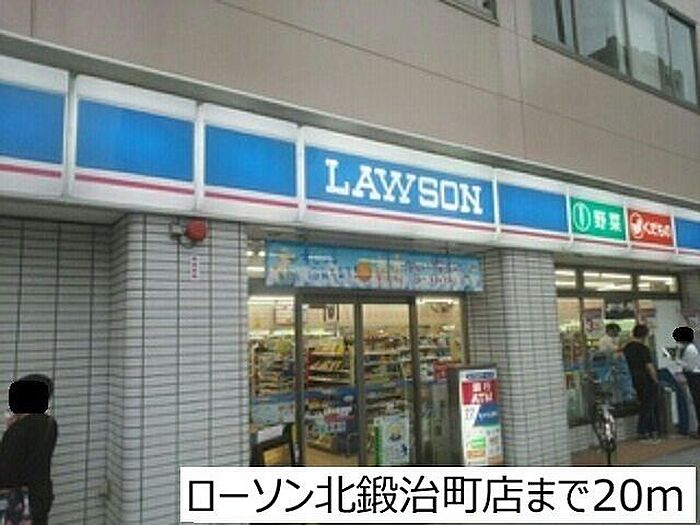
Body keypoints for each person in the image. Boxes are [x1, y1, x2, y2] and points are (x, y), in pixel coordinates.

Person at [0, 374, 58, 525]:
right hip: (40, 497)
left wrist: (11, 431)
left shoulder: (17, 431)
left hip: (18, 504)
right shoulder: (50, 424)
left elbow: (5, 473)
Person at [622, 324, 660, 442]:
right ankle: (643, 431)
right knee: (648, 406)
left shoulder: (627, 348)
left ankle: (651, 431)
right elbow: (649, 366)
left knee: (644, 404)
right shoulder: (643, 349)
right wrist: (655, 380)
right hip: (645, 379)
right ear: (644, 336)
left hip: (633, 378)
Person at [673, 326, 700, 439]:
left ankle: (696, 429)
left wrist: (677, 361)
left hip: (693, 377)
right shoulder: (693, 347)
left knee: (696, 402)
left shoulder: (688, 349)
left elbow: (685, 365)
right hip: (694, 376)